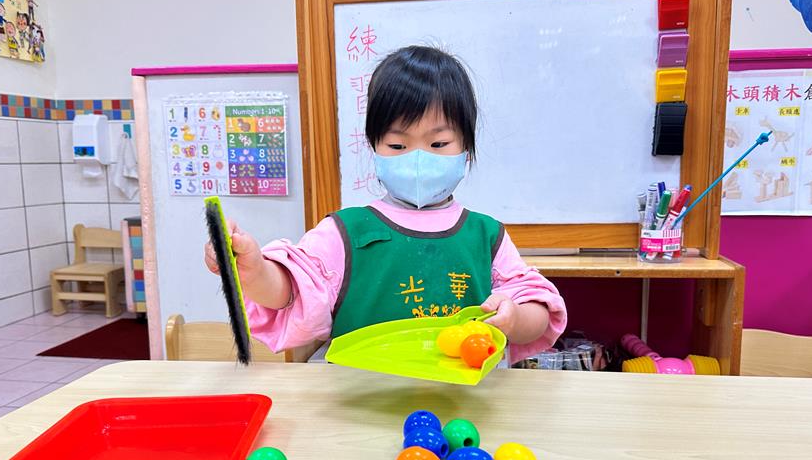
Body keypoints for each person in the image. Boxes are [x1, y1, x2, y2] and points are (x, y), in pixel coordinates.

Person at [205, 45, 566, 362]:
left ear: (466, 148)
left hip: (465, 403)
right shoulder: (345, 232)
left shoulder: (485, 234)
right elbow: (289, 291)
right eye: (397, 145)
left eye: (438, 144)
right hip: (364, 399)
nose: (418, 158)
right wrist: (254, 271)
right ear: (374, 148)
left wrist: (514, 318)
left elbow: (537, 308)